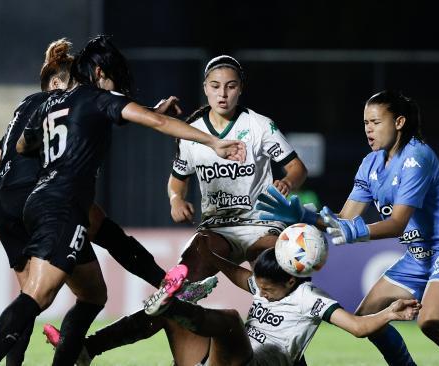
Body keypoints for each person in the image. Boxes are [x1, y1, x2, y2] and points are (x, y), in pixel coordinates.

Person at [0, 35, 245, 366]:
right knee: (37, 295)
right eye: (115, 78)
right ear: (100, 71)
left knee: (93, 294)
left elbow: (21, 147)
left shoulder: (50, 103)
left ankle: (86, 345)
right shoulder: (97, 96)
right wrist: (213, 142)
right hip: (63, 204)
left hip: (39, 198)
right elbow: (157, 122)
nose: (118, 87)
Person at [49, 55, 308, 365]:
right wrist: (175, 200)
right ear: (205, 89)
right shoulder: (192, 133)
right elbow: (176, 182)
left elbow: (297, 168)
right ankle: (90, 348)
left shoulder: (259, 126)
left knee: (277, 288)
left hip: (260, 224)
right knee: (172, 298)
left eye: (230, 86)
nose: (223, 93)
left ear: (241, 89)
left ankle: (290, 360)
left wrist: (287, 183)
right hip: (215, 230)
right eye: (215, 86)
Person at [257, 91, 439, 365]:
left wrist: (354, 231)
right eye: (366, 122)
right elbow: (343, 219)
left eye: (376, 122)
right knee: (368, 317)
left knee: (430, 320)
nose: (368, 128)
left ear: (399, 122)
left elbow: (397, 223)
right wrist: (304, 216)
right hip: (420, 256)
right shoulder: (370, 164)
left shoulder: (417, 157)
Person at [143, 247, 421, 366]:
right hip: (226, 361)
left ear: (290, 281)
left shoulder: (309, 298)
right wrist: (213, 258)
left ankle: (170, 307)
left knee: (229, 319)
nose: (260, 293)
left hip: (255, 364)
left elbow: (358, 327)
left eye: (267, 288)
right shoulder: (268, 287)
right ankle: (170, 306)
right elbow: (243, 278)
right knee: (176, 319)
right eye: (259, 286)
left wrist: (389, 313)